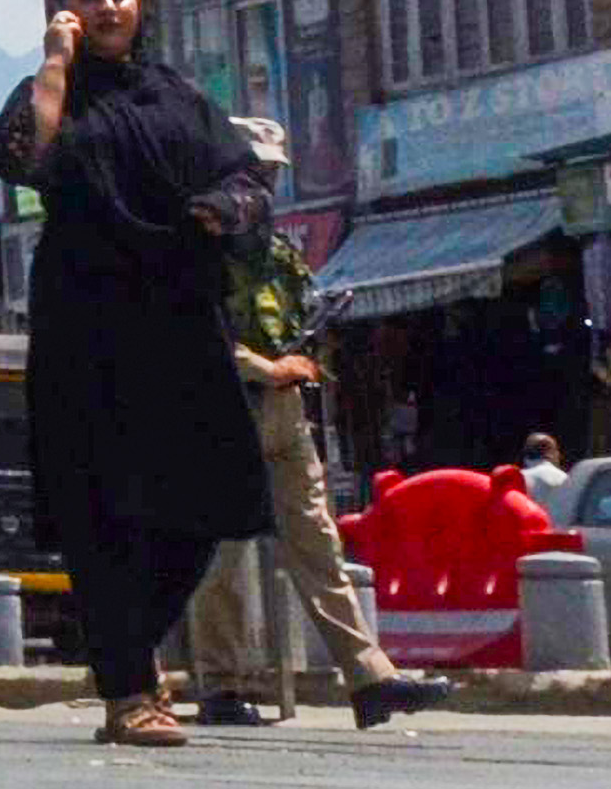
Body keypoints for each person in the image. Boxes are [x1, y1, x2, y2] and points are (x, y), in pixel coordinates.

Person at [0, 0, 272, 747]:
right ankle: (130, 688)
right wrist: (54, 59)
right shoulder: (54, 92)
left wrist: (223, 207)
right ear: (61, 8)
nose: (106, 7)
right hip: (86, 329)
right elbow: (27, 154)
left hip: (178, 320)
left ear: (139, 0)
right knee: (101, 509)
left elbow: (249, 175)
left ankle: (121, 651)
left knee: (211, 498)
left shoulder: (178, 95)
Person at [175, 115, 436, 733]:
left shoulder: (277, 253)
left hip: (284, 412)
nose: (259, 183)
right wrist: (266, 366)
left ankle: (370, 677)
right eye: (250, 169)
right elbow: (187, 338)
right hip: (220, 409)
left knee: (319, 545)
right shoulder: (191, 248)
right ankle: (225, 687)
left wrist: (295, 365)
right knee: (227, 559)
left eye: (267, 172)